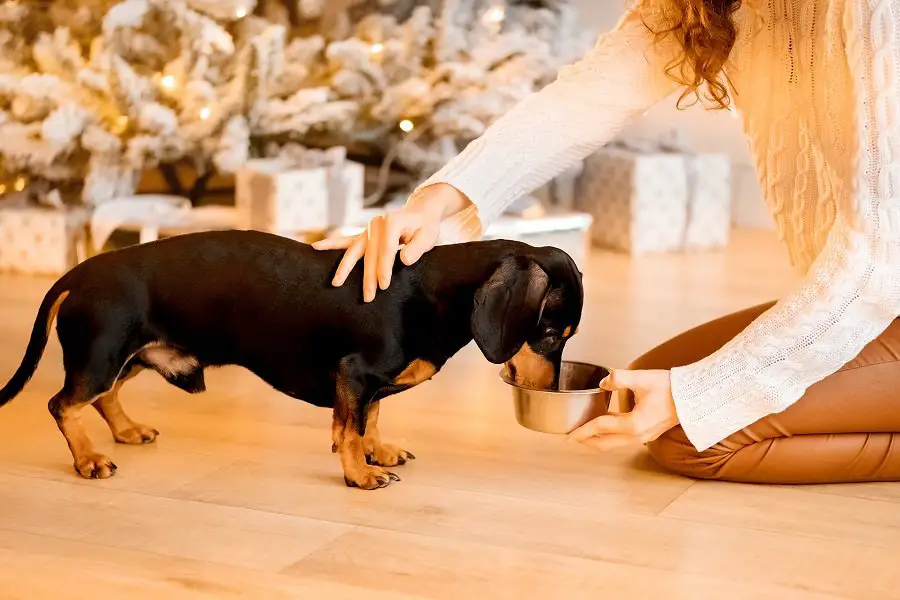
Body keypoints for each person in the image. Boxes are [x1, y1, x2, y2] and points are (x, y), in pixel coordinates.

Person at [314, 0, 900, 484]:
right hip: (879, 292)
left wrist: (697, 395)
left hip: (883, 277)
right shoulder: (709, 7)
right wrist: (440, 200)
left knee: (689, 432)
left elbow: (878, 257)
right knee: (649, 388)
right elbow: (587, 97)